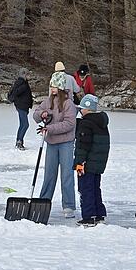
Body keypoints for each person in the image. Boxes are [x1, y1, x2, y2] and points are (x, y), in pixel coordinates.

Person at [32, 72, 77, 218]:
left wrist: (49, 129)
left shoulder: (69, 104)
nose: (52, 89)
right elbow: (36, 113)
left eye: (55, 86)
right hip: (51, 143)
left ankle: (69, 205)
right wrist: (42, 114)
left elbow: (69, 124)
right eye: (51, 85)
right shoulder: (48, 101)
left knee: (67, 175)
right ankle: (43, 201)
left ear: (61, 87)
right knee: (49, 174)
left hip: (66, 143)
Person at [73, 94, 110, 226]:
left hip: (86, 164)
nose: (80, 111)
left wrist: (79, 162)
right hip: (98, 163)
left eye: (81, 109)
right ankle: (99, 213)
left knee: (85, 189)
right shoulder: (101, 122)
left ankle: (88, 216)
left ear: (87, 109)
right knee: (95, 188)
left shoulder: (86, 124)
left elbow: (84, 145)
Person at [7, 68, 34, 149]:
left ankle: (19, 141)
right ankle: (19, 141)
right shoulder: (22, 83)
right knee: (25, 124)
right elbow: (16, 93)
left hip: (23, 106)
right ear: (24, 74)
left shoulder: (23, 82)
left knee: (22, 124)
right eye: (28, 74)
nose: (29, 76)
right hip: (21, 106)